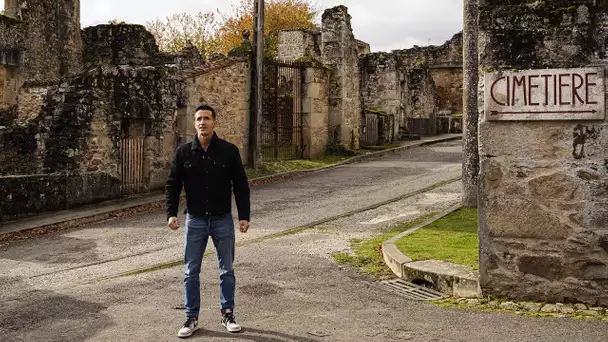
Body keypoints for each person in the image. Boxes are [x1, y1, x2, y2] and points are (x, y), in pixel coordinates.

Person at [165, 104, 250, 338]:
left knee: (227, 270)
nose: (203, 122)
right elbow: (173, 184)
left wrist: (244, 216)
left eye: (207, 119)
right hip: (195, 221)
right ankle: (191, 317)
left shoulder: (229, 151)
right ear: (195, 123)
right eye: (199, 119)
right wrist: (171, 213)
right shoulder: (183, 152)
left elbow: (241, 186)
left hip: (223, 219)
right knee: (191, 271)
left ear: (214, 122)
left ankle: (227, 313)